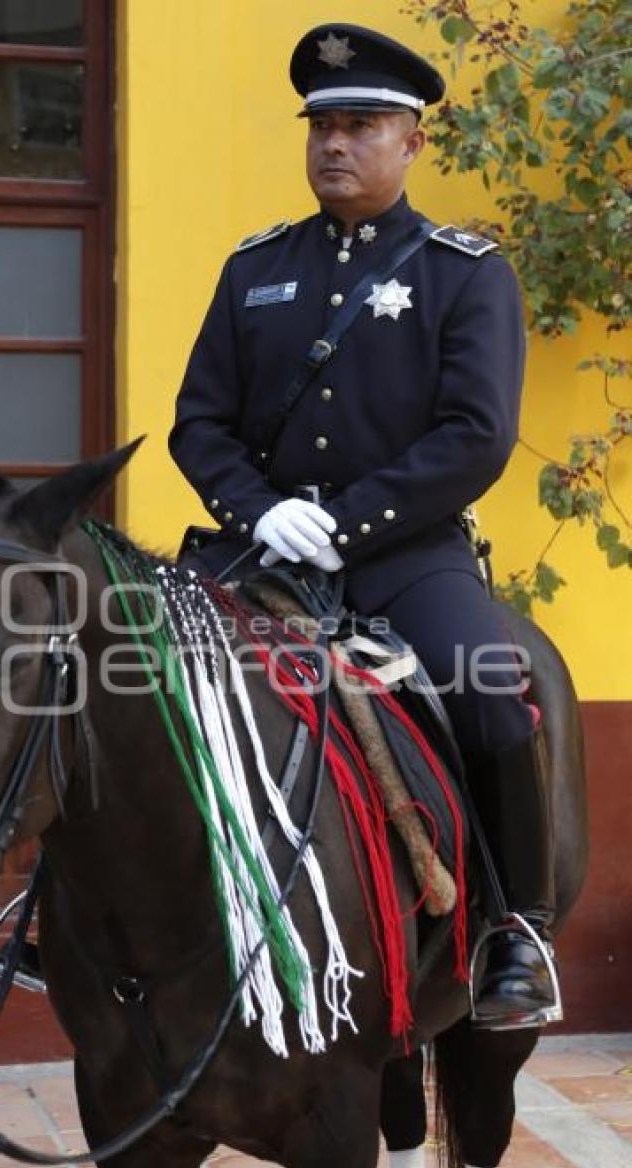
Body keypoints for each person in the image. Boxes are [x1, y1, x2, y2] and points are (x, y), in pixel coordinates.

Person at [169, 22, 560, 1031]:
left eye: (361, 126)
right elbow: (197, 423)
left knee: (489, 691)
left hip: (404, 562)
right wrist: (262, 511)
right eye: (321, 127)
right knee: (132, 686)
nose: (334, 145)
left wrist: (340, 525)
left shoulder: (464, 273)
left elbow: (477, 435)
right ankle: (78, 919)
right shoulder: (255, 267)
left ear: (413, 143)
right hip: (258, 552)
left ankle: (515, 930)